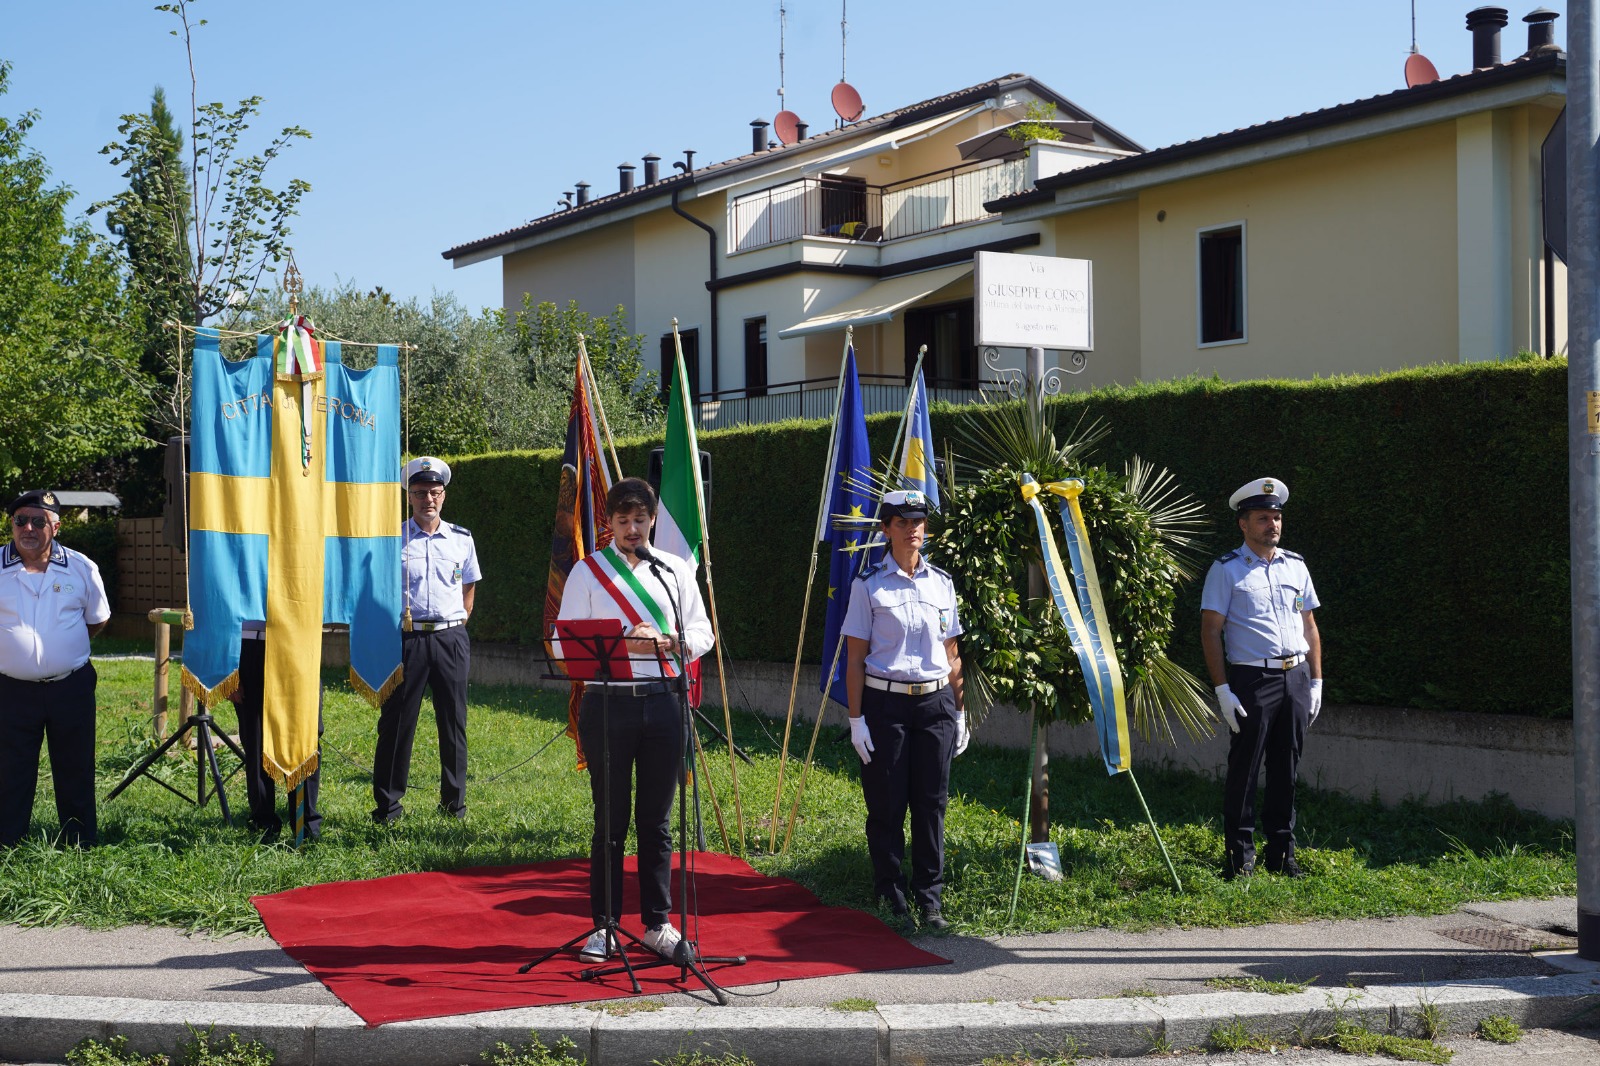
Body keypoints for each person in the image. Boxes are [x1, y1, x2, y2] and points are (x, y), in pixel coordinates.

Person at [555, 477, 713, 963]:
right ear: (609, 523)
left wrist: (666, 641)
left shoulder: (674, 571)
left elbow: (703, 633)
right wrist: (626, 640)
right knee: (610, 819)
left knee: (656, 821)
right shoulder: (588, 573)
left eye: (640, 520)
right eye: (622, 521)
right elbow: (564, 645)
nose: (631, 529)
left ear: (651, 521)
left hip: (665, 703)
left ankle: (657, 923)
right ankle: (603, 926)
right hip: (609, 703)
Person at [842, 489, 969, 931]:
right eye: (902, 521)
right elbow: (854, 658)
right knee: (888, 800)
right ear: (886, 529)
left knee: (932, 802)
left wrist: (960, 709)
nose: (913, 529)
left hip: (935, 703)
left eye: (918, 521)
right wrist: (856, 719)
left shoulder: (942, 584)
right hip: (885, 703)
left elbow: (952, 652)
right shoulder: (869, 585)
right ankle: (890, 888)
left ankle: (929, 895)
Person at [1201, 477, 1324, 881]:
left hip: (1296, 678)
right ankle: (1240, 859)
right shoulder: (1226, 571)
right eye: (1262, 518)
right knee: (1246, 769)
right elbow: (1210, 631)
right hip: (1252, 681)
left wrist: (1317, 681)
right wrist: (1222, 689)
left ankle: (1282, 854)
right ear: (1243, 524)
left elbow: (1309, 625)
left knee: (1286, 768)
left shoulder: (1297, 565)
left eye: (1276, 517)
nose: (1272, 524)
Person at [372, 457, 482, 824]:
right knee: (398, 724)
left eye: (434, 493)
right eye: (420, 493)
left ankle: (454, 804)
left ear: (444, 496)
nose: (428, 500)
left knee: (454, 723)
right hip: (408, 640)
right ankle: (388, 808)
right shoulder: (393, 539)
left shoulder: (462, 539)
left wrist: (458, 623)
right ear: (409, 497)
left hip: (450, 638)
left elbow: (468, 588)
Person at [0, 489, 110, 847]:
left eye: (38, 521)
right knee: (9, 769)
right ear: (11, 524)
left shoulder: (81, 567)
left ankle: (78, 841)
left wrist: (62, 647)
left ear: (56, 526)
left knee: (75, 765)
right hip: (10, 688)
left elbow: (97, 620)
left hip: (70, 686)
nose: (28, 527)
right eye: (20, 520)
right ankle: (7, 841)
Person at [231, 622, 322, 843]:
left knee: (305, 735)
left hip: (297, 639)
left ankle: (305, 826)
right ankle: (264, 826)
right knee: (256, 739)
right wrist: (228, 670)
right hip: (250, 643)